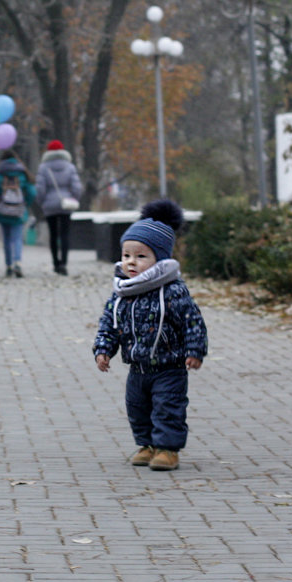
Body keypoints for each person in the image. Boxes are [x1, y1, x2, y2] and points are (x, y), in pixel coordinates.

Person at [91, 200, 207, 472]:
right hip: (138, 367)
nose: (132, 262)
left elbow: (192, 321)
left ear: (160, 259)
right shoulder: (123, 292)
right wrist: (103, 349)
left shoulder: (172, 290)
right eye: (127, 255)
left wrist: (194, 350)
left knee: (168, 407)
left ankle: (168, 449)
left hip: (169, 366)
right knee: (137, 408)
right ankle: (147, 444)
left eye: (141, 256)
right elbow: (110, 322)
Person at [36, 139, 83, 276]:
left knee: (53, 235)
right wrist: (74, 198)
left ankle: (55, 263)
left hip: (49, 205)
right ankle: (64, 263)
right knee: (65, 234)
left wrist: (42, 202)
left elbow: (40, 189)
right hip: (66, 204)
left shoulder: (43, 167)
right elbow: (76, 187)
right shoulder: (70, 166)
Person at [0, 149, 36, 278]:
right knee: (17, 238)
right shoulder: (22, 172)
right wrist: (25, 204)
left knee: (7, 240)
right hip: (18, 211)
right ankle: (18, 263)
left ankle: (8, 266)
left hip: (3, 210)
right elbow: (32, 192)